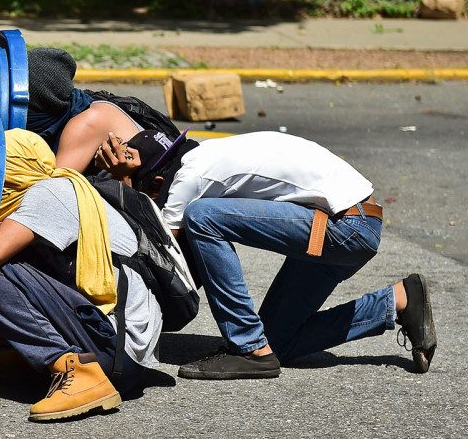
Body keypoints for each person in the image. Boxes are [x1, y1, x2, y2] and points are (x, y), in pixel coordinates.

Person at [94, 129, 437, 379]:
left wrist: (123, 182)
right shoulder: (204, 156)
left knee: (201, 217)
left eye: (151, 194)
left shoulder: (188, 178)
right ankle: (400, 300)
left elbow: (162, 257)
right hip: (353, 221)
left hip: (346, 227)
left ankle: (246, 347)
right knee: (278, 343)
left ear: (157, 181)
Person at [0, 128, 163, 421]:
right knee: (4, 265)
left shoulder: (48, 195)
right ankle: (53, 354)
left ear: (9, 173)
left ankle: (77, 370)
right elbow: (14, 312)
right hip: (121, 356)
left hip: (112, 355)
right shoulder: (59, 187)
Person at [0, 47, 144, 172]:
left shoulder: (86, 122)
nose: (1, 114)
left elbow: (41, 197)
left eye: (4, 106)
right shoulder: (59, 113)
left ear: (32, 108)